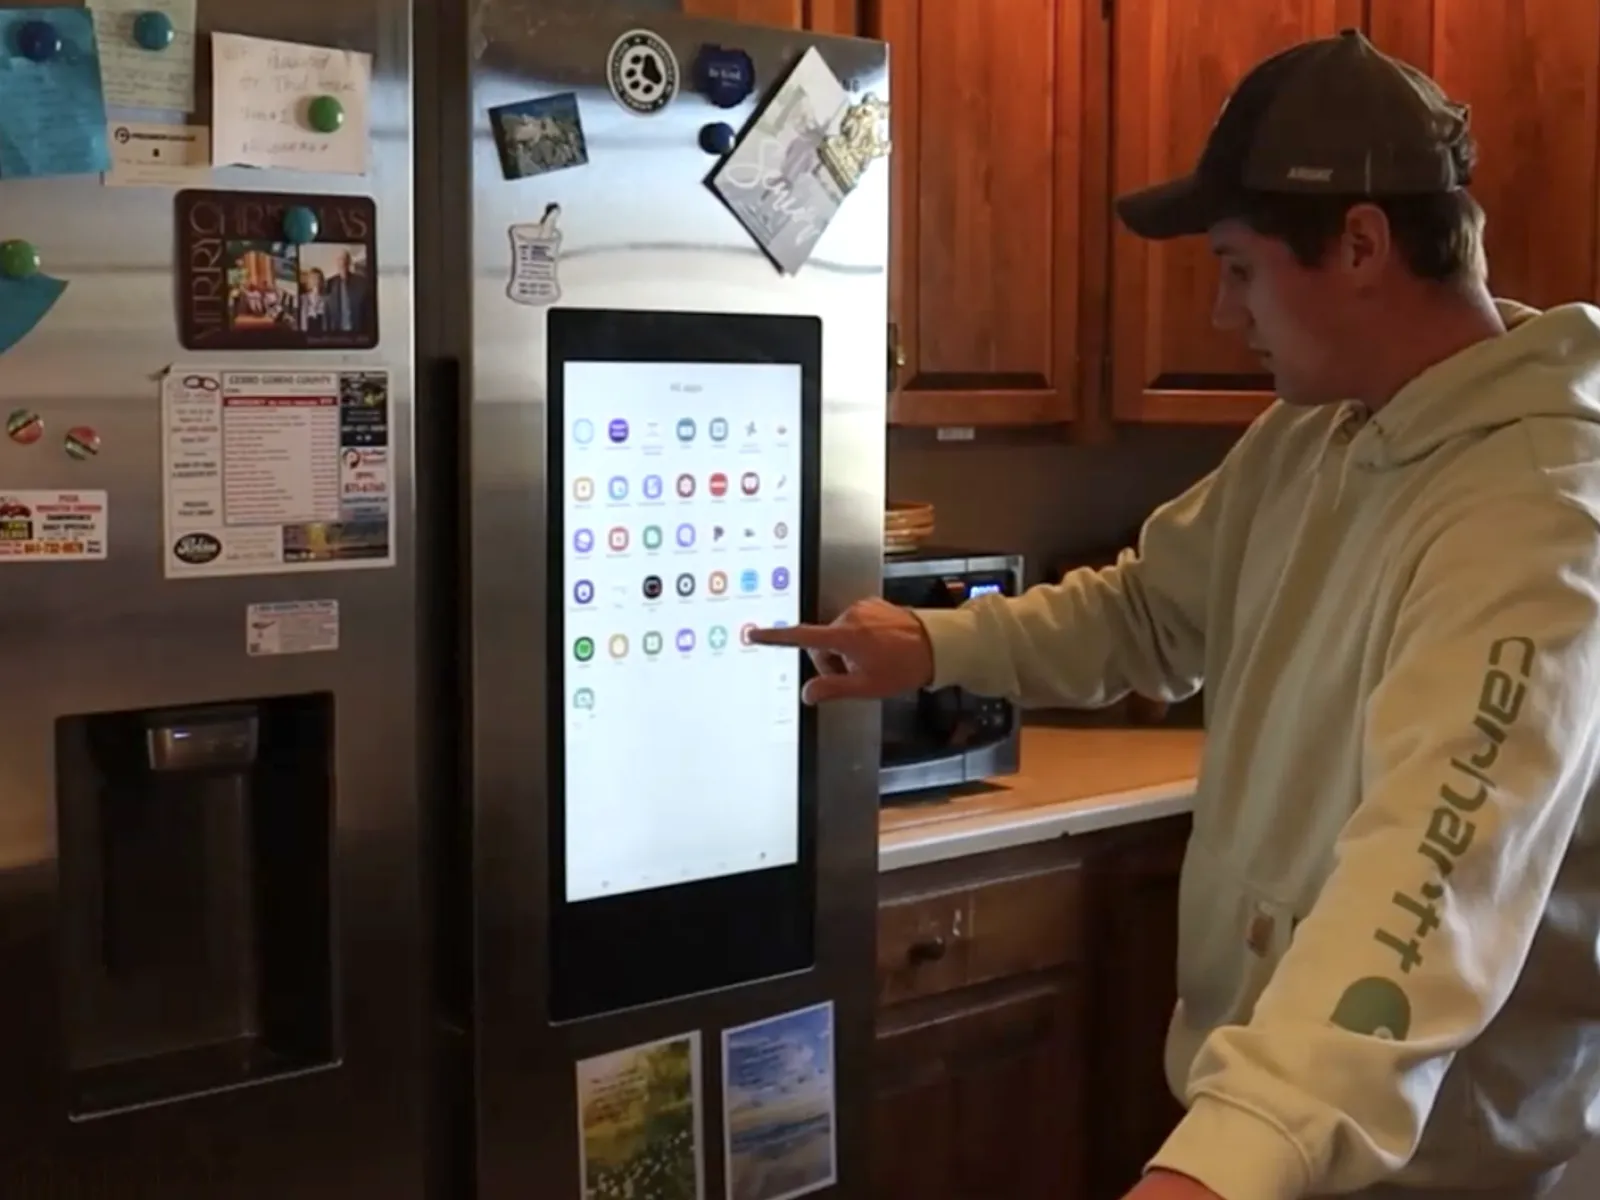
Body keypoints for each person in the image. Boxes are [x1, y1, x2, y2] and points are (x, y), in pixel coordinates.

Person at [752, 29, 1600, 1200]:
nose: (1217, 311)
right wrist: (939, 643)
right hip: (1279, 1140)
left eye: (1238, 267)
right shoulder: (1317, 434)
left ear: (1359, 243)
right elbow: (1151, 613)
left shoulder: (1537, 515)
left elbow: (1428, 881)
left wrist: (1222, 1164)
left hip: (1428, 1164)